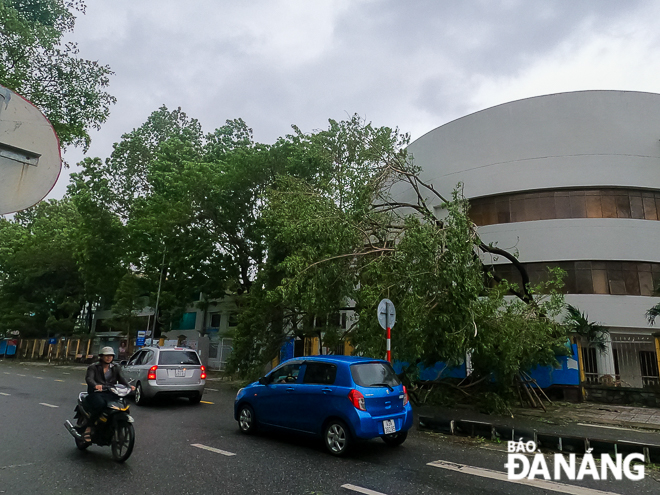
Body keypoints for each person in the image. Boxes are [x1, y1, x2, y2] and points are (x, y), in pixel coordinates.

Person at [83, 346, 134, 442]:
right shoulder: (93, 367)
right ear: (101, 356)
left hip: (111, 392)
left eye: (110, 356)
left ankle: (115, 425)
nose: (108, 358)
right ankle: (89, 428)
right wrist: (96, 385)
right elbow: (89, 378)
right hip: (96, 393)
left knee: (123, 405)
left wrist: (129, 386)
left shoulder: (115, 367)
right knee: (101, 405)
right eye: (106, 356)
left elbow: (121, 378)